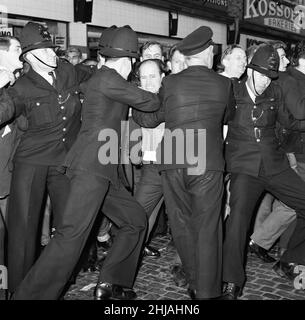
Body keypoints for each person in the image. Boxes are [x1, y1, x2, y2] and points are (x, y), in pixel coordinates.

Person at [12, 25, 160, 300]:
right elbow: (149, 102)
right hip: (90, 169)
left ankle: (111, 284)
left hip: (104, 171)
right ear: (128, 61)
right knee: (70, 238)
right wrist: (164, 89)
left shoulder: (102, 77)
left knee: (136, 220)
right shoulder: (110, 78)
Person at [134, 26, 233, 299]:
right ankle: (208, 292)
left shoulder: (171, 83)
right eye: (212, 50)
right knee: (208, 228)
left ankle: (192, 279)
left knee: (181, 225)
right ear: (206, 53)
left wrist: (136, 109)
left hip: (173, 161)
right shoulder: (224, 84)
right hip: (206, 162)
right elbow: (228, 117)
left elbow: (153, 118)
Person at [222, 44, 305, 300]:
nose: (264, 81)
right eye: (260, 74)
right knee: (237, 221)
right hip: (244, 167)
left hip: (274, 165)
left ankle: (291, 259)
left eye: (269, 76)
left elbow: (289, 122)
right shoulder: (232, 91)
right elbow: (216, 122)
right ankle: (231, 281)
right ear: (250, 69)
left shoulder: (275, 90)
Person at [4, 22, 82, 295]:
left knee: (70, 222)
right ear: (29, 56)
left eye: (52, 49)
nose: (52, 55)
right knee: (24, 228)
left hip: (64, 161)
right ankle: (20, 288)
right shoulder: (21, 87)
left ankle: (61, 276)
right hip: (32, 161)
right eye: (44, 51)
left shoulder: (68, 71)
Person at [0, 36, 24, 300]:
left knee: (12, 240)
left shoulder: (18, 78)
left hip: (11, 174)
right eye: (18, 49)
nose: (22, 52)